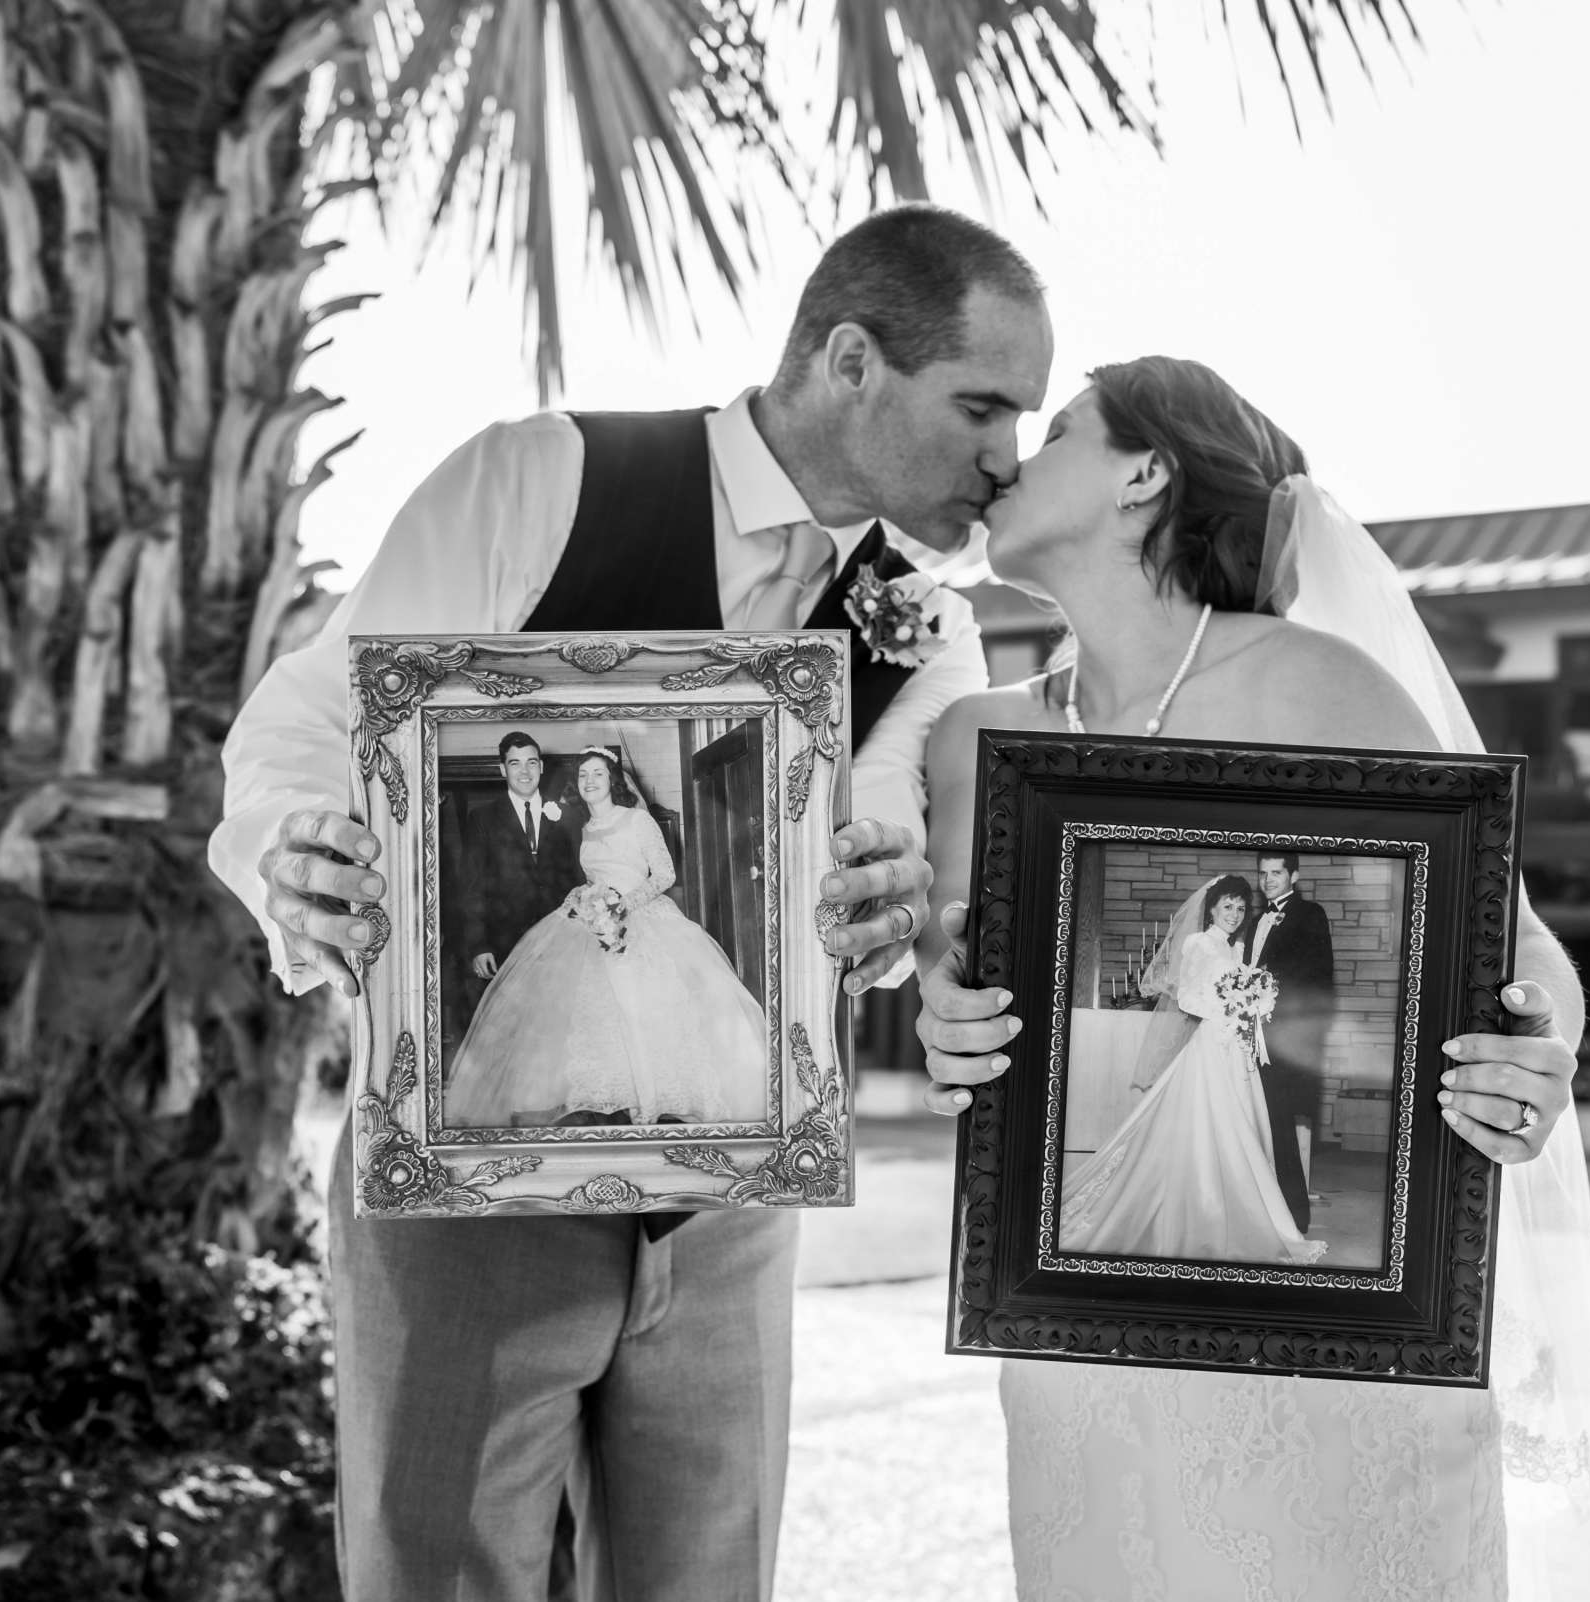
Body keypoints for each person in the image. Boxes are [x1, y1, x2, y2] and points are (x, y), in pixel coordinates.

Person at [208, 204, 1054, 1601]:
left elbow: (884, 842)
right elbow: (308, 725)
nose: (1005, 458)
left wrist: (891, 903)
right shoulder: (539, 480)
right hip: (469, 1190)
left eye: (1022, 417)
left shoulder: (935, 622)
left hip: (735, 1210)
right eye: (981, 404)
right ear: (852, 359)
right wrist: (296, 852)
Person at [913, 357, 1590, 1598]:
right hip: (1078, 1360)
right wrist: (949, 1023)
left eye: (1058, 425)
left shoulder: (1322, 688)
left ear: (1143, 473)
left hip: (1327, 1366)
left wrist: (1534, 1045)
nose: (1015, 449)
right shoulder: (979, 738)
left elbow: (1517, 941)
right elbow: (960, 984)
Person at [445, 745, 768, 1127]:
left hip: (645, 921)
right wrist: (582, 899)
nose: (589, 781)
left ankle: (661, 1099)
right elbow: (585, 879)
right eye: (583, 775)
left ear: (612, 780)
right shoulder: (581, 829)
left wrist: (624, 905)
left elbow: (664, 875)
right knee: (601, 1018)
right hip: (596, 927)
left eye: (597, 773)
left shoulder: (637, 821)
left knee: (647, 1010)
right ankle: (622, 1101)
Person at [1060, 873, 1325, 1264]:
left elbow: (1241, 991)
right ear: (1212, 909)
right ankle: (1199, 1215)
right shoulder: (1198, 943)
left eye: (1239, 907)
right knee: (1208, 1127)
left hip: (1238, 1050)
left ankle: (1238, 1212)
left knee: (1241, 1128)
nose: (1234, 914)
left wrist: (1250, 1005)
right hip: (1210, 1048)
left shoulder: (1237, 951)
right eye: (1226, 907)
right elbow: (1187, 997)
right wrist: (1232, 1006)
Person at [453, 732, 584, 1041]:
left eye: (531, 763)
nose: (524, 772)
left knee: (559, 1025)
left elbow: (578, 877)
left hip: (559, 938)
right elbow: (471, 887)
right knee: (513, 1032)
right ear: (503, 769)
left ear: (541, 767)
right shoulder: (482, 818)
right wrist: (478, 945)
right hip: (504, 942)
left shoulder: (567, 815)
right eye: (515, 763)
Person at [1246, 849, 1336, 1228]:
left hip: (1285, 1039)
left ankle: (1295, 1216)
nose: (1269, 880)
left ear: (1293, 876)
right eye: (1263, 873)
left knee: (1281, 1126)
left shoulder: (1310, 914)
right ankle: (1258, 1208)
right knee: (1255, 1123)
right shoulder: (1253, 921)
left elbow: (1317, 978)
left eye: (1277, 873)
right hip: (1252, 1035)